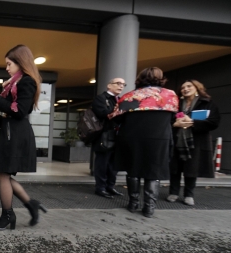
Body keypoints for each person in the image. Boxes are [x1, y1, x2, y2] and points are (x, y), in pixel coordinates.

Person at [0, 44, 47, 230]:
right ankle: (30, 205)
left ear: (20, 63)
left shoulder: (26, 81)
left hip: (15, 134)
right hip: (10, 133)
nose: (6, 68)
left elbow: (19, 111)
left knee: (3, 174)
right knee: (3, 174)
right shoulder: (15, 83)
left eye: (9, 64)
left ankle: (8, 215)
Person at [109, 67, 179, 218]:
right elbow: (173, 118)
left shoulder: (129, 96)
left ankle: (133, 203)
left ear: (140, 78)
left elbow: (116, 118)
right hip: (159, 137)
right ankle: (149, 208)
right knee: (153, 172)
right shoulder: (170, 95)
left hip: (132, 136)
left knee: (133, 170)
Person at [167, 80, 220, 206]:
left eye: (189, 86)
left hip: (196, 141)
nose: (185, 89)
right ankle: (173, 192)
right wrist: (175, 123)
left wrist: (192, 122)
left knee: (192, 168)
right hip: (177, 138)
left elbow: (214, 122)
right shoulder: (175, 104)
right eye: (183, 87)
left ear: (197, 88)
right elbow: (167, 120)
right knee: (175, 168)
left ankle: (188, 194)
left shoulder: (207, 103)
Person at [91, 78, 126, 199]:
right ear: (109, 85)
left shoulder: (121, 100)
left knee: (113, 164)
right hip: (104, 135)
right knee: (102, 163)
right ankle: (100, 188)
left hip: (117, 136)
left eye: (123, 84)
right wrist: (117, 111)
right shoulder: (101, 98)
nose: (121, 86)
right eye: (118, 83)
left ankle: (110, 187)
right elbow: (102, 113)